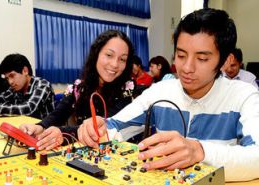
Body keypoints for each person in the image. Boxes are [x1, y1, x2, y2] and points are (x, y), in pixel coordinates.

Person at [77, 8, 259, 182]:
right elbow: (114, 126)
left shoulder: (244, 96)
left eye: (202, 58)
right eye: (180, 56)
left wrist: (200, 151)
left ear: (224, 61)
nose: (187, 68)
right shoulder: (160, 91)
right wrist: (96, 129)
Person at [19, 29, 135, 151]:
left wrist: (63, 133)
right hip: (87, 152)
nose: (115, 64)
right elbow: (58, 114)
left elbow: (106, 125)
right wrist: (40, 127)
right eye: (109, 55)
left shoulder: (128, 89)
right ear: (96, 54)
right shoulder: (79, 87)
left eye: (122, 59)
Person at [0, 53, 55, 119]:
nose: (10, 82)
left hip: (46, 131)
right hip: (24, 128)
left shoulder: (42, 85)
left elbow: (28, 108)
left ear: (25, 71)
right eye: (7, 78)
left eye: (12, 76)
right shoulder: (15, 88)